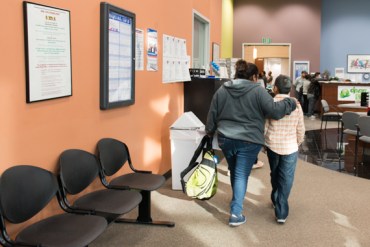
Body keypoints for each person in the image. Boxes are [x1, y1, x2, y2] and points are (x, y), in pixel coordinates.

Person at [205, 59, 297, 227]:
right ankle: (235, 212)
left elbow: (213, 113)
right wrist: (289, 102)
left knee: (235, 171)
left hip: (226, 138)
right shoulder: (258, 91)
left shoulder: (223, 89)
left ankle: (236, 202)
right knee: (240, 174)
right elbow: (274, 112)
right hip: (249, 140)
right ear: (254, 77)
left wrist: (209, 131)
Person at [264, 74, 305, 224]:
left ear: (275, 88)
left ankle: (276, 198)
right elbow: (300, 128)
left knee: (275, 174)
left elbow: (265, 127)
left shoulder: (270, 103)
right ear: (290, 89)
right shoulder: (297, 105)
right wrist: (298, 142)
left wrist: (264, 142)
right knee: (286, 178)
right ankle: (281, 211)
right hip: (290, 147)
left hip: (272, 146)